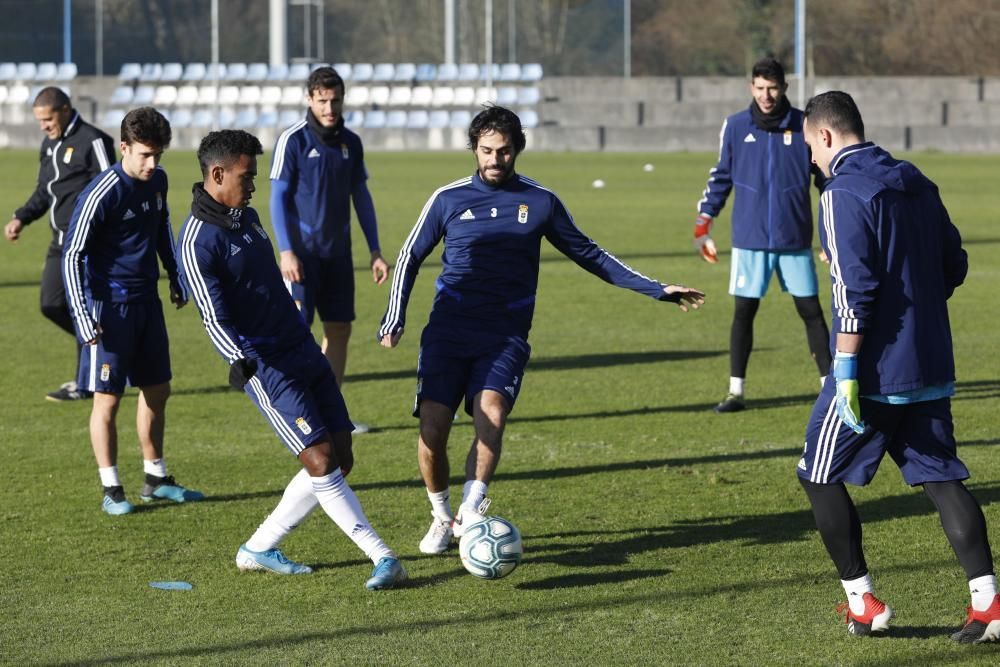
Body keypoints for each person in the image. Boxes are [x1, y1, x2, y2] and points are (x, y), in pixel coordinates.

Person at [378, 105, 705, 556]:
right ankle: (441, 515)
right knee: (434, 428)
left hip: (504, 334)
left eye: (505, 151)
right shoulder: (447, 199)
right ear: (474, 149)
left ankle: (472, 510)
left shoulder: (540, 202)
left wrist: (654, 289)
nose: (495, 159)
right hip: (448, 331)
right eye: (487, 150)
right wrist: (394, 317)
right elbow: (410, 255)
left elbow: (590, 254)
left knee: (490, 412)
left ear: (518, 151)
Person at [798, 90, 998, 642]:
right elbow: (953, 264)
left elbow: (852, 293)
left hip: (876, 371)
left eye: (812, 148)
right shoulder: (917, 181)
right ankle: (989, 603)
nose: (813, 160)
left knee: (816, 474)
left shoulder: (842, 193)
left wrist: (844, 369)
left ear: (827, 136)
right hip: (931, 359)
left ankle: (863, 602)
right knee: (941, 476)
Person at [178, 129, 406, 590]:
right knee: (320, 461)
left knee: (341, 456)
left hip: (301, 347)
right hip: (266, 365)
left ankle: (260, 547)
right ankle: (382, 556)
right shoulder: (197, 242)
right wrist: (238, 360)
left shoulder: (248, 216)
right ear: (217, 174)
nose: (254, 183)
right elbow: (211, 315)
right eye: (247, 175)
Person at [62, 107, 202, 516]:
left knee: (158, 388)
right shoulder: (101, 193)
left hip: (147, 303)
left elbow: (161, 228)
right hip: (109, 308)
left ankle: (155, 477)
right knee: (107, 400)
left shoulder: (158, 180)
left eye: (158, 154)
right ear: (124, 148)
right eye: (144, 154)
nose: (152, 163)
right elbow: (73, 256)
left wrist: (175, 274)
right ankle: (111, 487)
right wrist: (83, 315)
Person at [692, 57, 831, 413]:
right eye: (759, 88)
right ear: (750, 87)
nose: (766, 95)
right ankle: (736, 392)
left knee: (811, 312)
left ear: (784, 87)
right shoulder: (736, 126)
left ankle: (829, 389)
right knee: (744, 313)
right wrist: (703, 224)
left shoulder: (804, 125)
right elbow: (721, 176)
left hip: (794, 238)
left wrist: (833, 235)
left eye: (772, 88)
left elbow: (826, 183)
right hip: (750, 240)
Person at [269, 66, 388, 433]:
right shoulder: (294, 140)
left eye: (335, 100)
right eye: (322, 101)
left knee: (339, 330)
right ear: (309, 99)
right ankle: (297, 415)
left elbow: (361, 198)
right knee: (298, 336)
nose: (330, 107)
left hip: (339, 256)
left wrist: (375, 250)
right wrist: (286, 251)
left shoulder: (350, 143)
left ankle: (332, 414)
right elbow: (277, 198)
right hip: (302, 258)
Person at [5, 87, 115, 402]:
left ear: (65, 109)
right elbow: (45, 191)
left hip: (87, 245)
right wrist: (21, 218)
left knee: (82, 308)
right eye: (39, 120)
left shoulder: (94, 141)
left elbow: (111, 190)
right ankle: (102, 345)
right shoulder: (49, 143)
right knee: (51, 303)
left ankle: (85, 384)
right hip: (59, 243)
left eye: (48, 118)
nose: (43, 125)